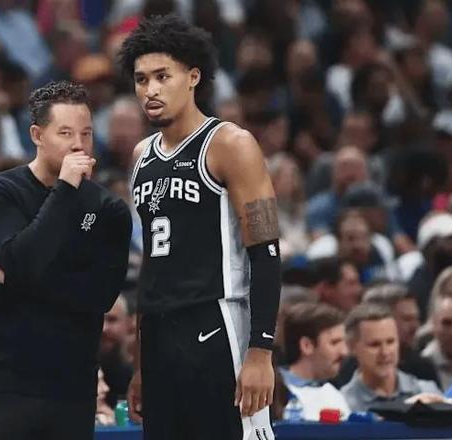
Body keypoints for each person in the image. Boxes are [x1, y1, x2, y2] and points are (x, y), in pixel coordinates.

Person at [118, 14, 280, 439]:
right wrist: (140, 364)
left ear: (193, 77)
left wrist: (261, 351)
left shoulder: (231, 144)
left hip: (217, 328)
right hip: (159, 338)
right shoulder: (140, 156)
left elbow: (266, 251)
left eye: (162, 76)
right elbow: (151, 266)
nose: (150, 90)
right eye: (141, 80)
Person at [0, 80, 132, 440]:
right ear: (37, 135)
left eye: (86, 133)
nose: (79, 145)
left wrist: (9, 276)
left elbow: (97, 298)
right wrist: (66, 189)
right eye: (66, 133)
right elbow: (25, 259)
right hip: (2, 384)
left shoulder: (110, 209)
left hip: (72, 388)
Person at [341, 303, 442, 412]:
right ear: (351, 347)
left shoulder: (427, 393)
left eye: (390, 342)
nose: (385, 352)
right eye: (374, 344)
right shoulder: (343, 403)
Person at [280, 302, 350, 421]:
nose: (344, 352)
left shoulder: (334, 395)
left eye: (344, 342)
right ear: (307, 346)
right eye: (334, 343)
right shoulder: (273, 392)